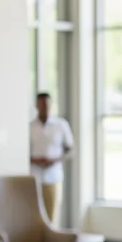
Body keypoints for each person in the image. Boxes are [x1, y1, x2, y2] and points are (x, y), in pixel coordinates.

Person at [29, 92, 74, 223]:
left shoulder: (60, 125)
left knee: (50, 216)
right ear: (37, 105)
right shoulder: (30, 127)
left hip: (53, 176)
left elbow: (70, 149)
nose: (44, 107)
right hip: (34, 176)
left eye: (47, 104)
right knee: (34, 216)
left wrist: (55, 160)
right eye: (42, 104)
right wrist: (35, 160)